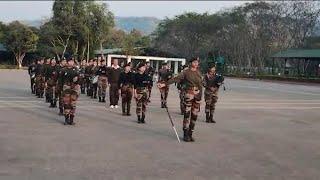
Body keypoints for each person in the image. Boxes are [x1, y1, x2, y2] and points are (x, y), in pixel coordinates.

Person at [157, 57, 202, 142]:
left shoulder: (198, 73)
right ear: (191, 63)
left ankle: (190, 133)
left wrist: (200, 96)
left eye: (197, 62)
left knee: (194, 115)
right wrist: (165, 84)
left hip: (197, 96)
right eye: (194, 62)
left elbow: (200, 85)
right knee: (187, 115)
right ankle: (185, 134)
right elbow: (176, 79)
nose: (196, 64)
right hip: (189, 95)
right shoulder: (186, 72)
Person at [61, 58, 80, 125]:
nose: (71, 62)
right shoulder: (64, 70)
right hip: (66, 88)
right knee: (66, 104)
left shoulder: (76, 70)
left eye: (72, 61)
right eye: (70, 61)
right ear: (67, 62)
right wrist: (61, 89)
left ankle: (71, 119)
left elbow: (79, 80)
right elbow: (61, 80)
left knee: (73, 104)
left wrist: (77, 80)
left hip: (74, 89)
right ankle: (66, 119)